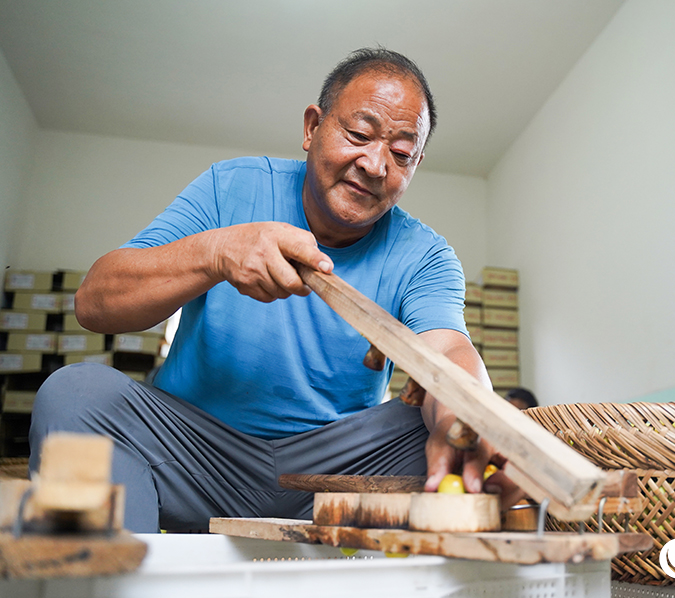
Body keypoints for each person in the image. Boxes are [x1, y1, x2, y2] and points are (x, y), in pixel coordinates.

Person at [29, 48, 518, 533]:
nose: (375, 164)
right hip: (194, 456)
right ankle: (114, 581)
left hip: (336, 475)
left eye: (401, 154)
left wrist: (468, 421)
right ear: (312, 128)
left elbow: (448, 349)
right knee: (77, 393)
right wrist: (217, 253)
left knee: (441, 432)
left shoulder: (424, 253)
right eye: (360, 134)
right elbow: (94, 303)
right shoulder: (230, 187)